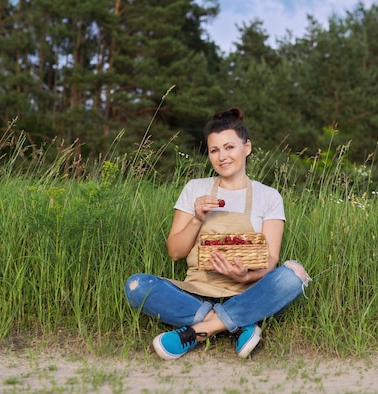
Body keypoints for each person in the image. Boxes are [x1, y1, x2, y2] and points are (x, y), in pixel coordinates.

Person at [125, 107, 310, 360]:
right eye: (214, 150)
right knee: (136, 286)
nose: (222, 156)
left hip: (247, 291)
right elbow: (175, 253)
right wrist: (197, 218)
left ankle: (198, 331)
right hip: (195, 291)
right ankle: (238, 323)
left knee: (294, 275)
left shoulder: (269, 196)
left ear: (247, 147)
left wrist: (246, 276)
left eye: (229, 147)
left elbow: (270, 260)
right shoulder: (195, 189)